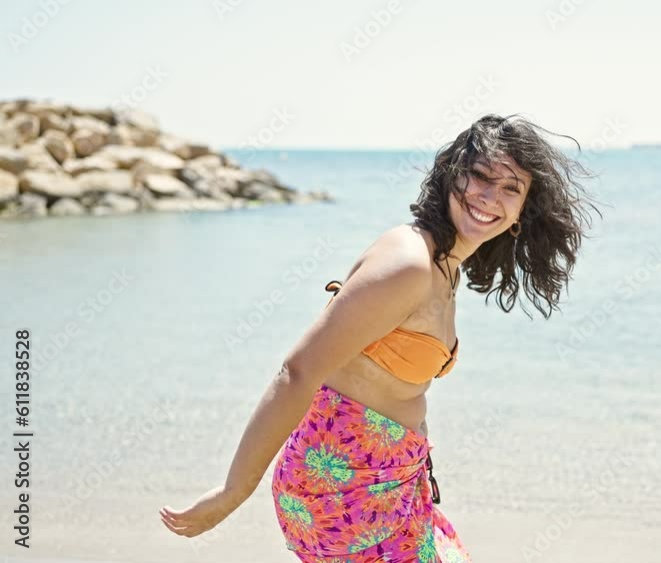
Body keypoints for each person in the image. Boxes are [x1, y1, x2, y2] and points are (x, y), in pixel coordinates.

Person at [158, 114, 602, 561]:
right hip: (341, 488)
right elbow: (298, 371)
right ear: (452, 176)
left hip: (395, 483)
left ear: (524, 210)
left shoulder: (445, 266)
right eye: (481, 177)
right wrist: (233, 492)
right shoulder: (409, 262)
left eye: (511, 188)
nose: (491, 197)